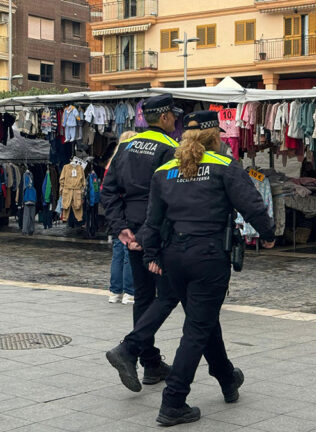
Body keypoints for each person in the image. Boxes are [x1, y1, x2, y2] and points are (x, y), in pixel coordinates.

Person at [107, 111, 275, 426]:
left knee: (204, 318)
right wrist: (267, 235)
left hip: (174, 257)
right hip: (208, 257)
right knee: (196, 329)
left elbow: (153, 221)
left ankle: (227, 377)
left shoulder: (166, 170)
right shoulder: (224, 166)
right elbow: (252, 205)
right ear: (215, 137)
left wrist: (150, 255)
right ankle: (173, 401)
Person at [101, 94, 183, 384]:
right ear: (164, 118)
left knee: (143, 296)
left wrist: (120, 227)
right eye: (173, 115)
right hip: (157, 231)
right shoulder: (171, 148)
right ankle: (132, 351)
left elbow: (108, 190)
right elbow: (167, 196)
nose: (176, 120)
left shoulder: (125, 146)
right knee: (168, 294)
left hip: (132, 230)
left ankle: (149, 362)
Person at [106, 131, 138, 305]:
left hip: (115, 211)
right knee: (127, 251)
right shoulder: (129, 163)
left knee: (118, 251)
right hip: (128, 209)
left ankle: (115, 291)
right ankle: (129, 291)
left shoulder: (113, 162)